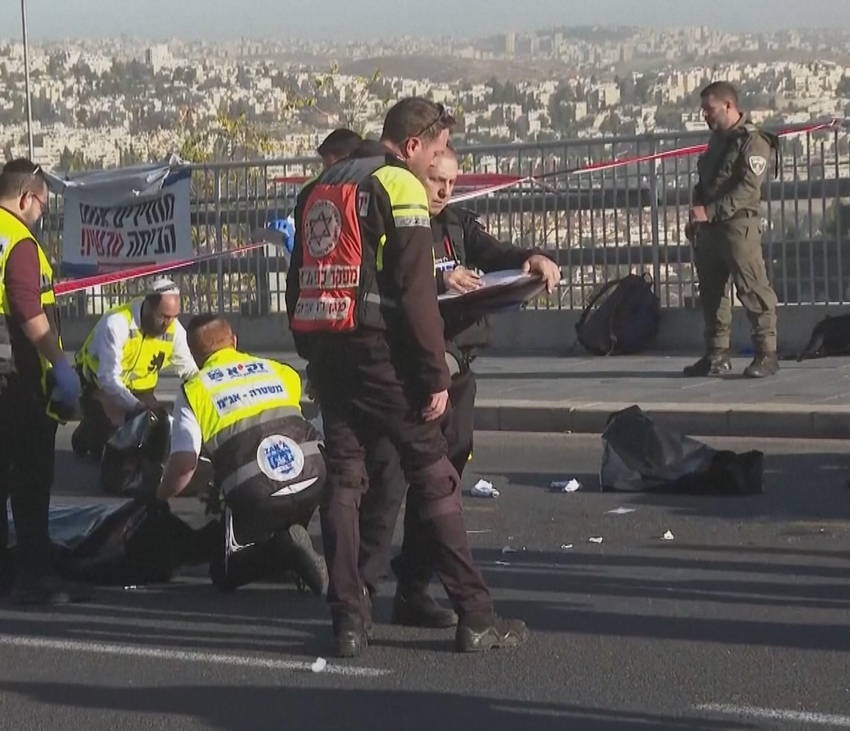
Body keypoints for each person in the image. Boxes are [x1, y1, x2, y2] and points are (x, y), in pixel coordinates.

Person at [287, 96, 527, 657]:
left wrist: (312, 352)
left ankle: (348, 617)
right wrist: (433, 375)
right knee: (433, 471)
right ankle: (476, 612)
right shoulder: (397, 186)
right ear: (413, 145)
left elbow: (300, 276)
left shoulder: (320, 187)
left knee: (345, 480)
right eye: (439, 150)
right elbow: (417, 293)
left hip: (327, 350)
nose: (440, 164)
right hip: (380, 352)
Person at [356, 146, 561, 627]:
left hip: (456, 367)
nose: (444, 190)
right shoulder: (392, 221)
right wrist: (440, 277)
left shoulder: (458, 223)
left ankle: (414, 588)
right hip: (404, 370)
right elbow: (382, 279)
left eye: (451, 182)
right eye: (435, 180)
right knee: (387, 481)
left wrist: (531, 259)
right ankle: (358, 596)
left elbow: (495, 253)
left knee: (443, 481)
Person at [0, 158, 91, 605]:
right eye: (42, 205)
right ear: (27, 197)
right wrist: (60, 365)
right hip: (13, 379)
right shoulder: (19, 242)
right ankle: (34, 579)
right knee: (29, 481)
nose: (41, 215)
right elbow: (29, 311)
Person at [151, 313, 328, 595]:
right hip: (315, 477)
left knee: (224, 572)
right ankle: (294, 544)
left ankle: (285, 549)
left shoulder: (195, 390)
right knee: (282, 479)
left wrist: (159, 496)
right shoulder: (280, 371)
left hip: (256, 491)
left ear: (196, 356)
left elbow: (184, 465)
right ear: (234, 341)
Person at [684, 80, 780, 379]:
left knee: (753, 290)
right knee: (713, 294)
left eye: (709, 109)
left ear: (729, 106)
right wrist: (697, 215)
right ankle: (716, 354)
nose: (705, 116)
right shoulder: (718, 141)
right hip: (711, 230)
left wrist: (710, 212)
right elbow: (707, 180)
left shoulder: (753, 142)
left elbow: (747, 190)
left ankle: (766, 354)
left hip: (738, 227)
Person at [71, 277, 199, 460]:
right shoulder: (117, 323)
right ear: (147, 306)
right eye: (162, 316)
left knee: (156, 428)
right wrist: (135, 407)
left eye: (173, 317)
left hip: (140, 389)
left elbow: (191, 372)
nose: (168, 323)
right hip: (99, 386)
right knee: (115, 435)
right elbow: (109, 379)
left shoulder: (175, 330)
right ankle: (86, 433)